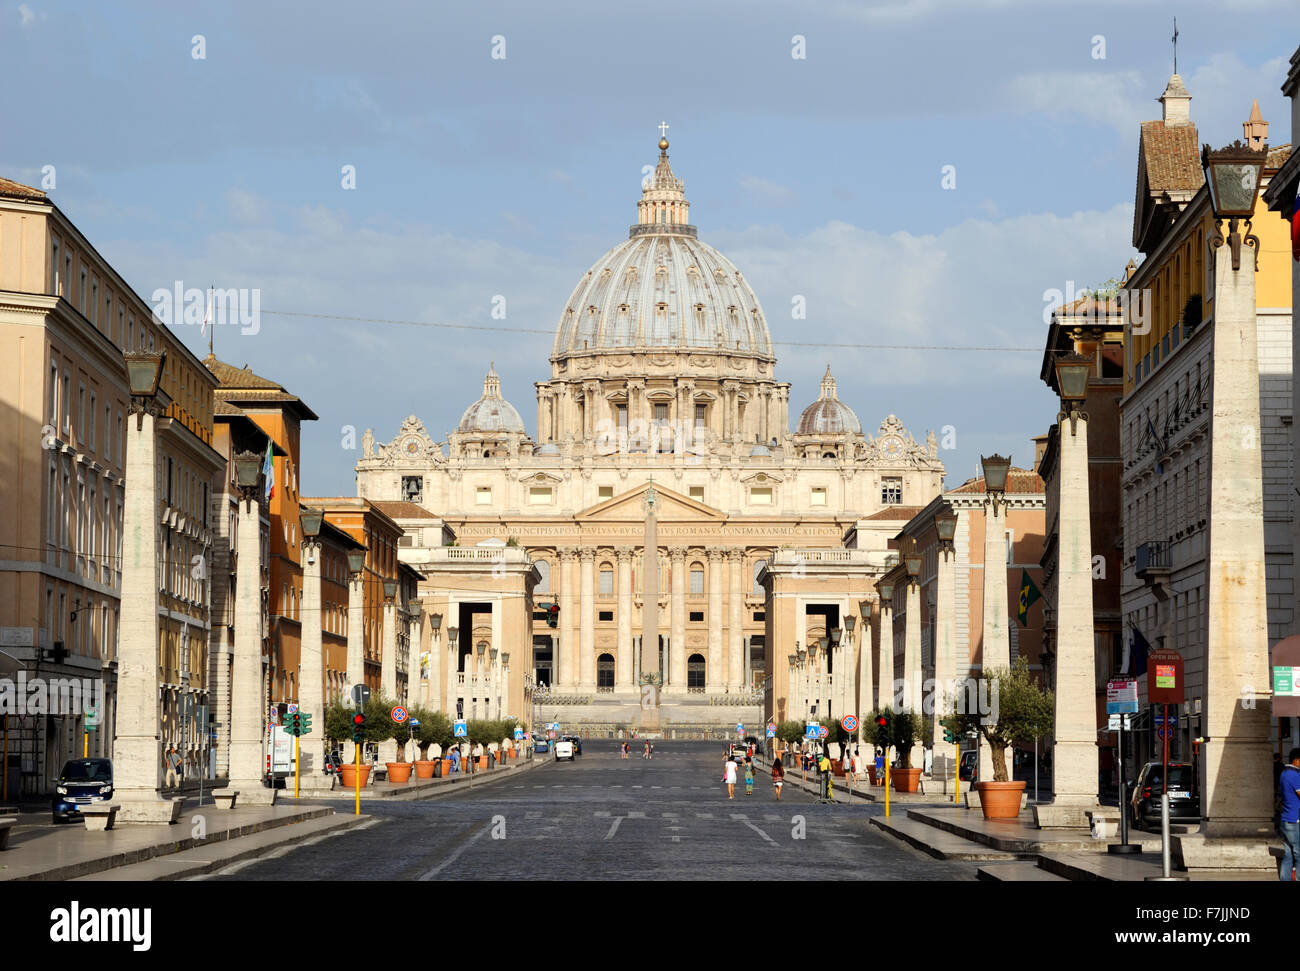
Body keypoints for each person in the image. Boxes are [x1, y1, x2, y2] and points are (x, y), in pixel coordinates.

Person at [1279, 747, 1300, 882]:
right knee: (1299, 854)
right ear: (1297, 760)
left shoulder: (1284, 773)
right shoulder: (1294, 775)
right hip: (1294, 820)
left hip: (1285, 819)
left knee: (1288, 854)